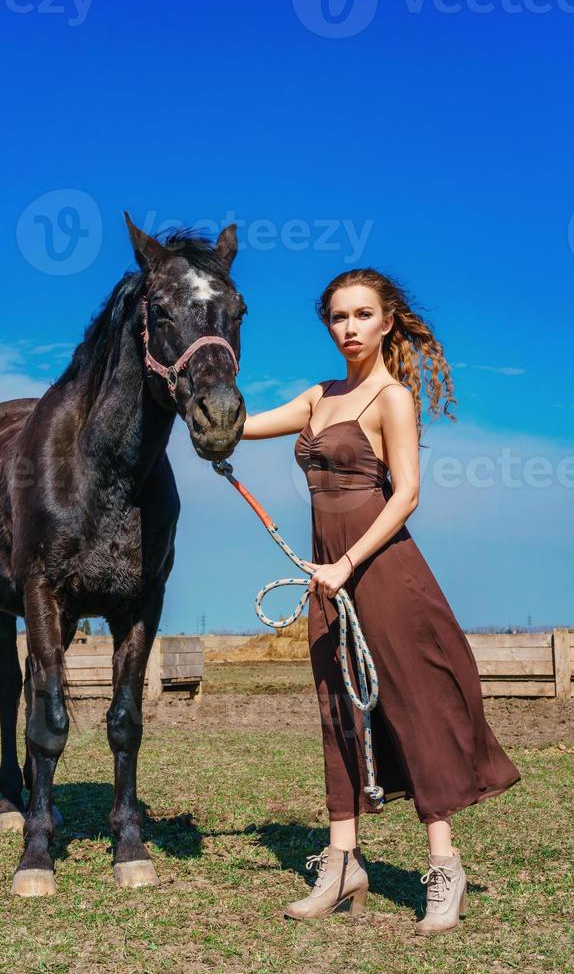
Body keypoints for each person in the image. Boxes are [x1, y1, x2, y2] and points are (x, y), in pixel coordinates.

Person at [240, 268, 521, 935]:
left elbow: (407, 495)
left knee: (413, 709)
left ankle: (443, 869)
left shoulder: (389, 398)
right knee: (338, 713)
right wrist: (190, 388)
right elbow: (240, 426)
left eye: (362, 315)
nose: (349, 329)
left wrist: (345, 563)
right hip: (325, 580)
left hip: (382, 573)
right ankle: (342, 866)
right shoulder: (317, 398)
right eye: (338, 317)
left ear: (387, 320)